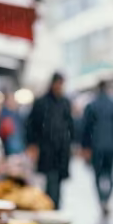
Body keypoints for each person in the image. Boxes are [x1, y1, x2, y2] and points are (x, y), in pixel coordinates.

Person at [26, 73, 74, 209]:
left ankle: (53, 206)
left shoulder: (65, 102)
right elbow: (31, 125)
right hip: (46, 148)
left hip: (62, 149)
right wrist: (32, 144)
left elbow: (70, 124)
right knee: (50, 179)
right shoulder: (41, 102)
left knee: (57, 180)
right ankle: (51, 206)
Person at [81, 81, 113, 215]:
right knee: (111, 175)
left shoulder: (91, 106)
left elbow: (86, 128)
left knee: (97, 175)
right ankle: (106, 199)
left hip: (96, 146)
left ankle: (102, 199)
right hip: (111, 145)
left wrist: (85, 147)